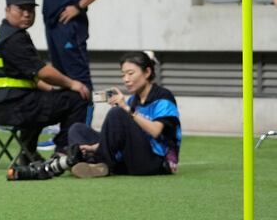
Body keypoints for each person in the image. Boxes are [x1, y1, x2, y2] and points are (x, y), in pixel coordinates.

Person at [12, 51, 180, 179]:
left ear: (147, 72)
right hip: (129, 157)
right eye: (123, 74)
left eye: (130, 73)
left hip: (153, 162)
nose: (126, 79)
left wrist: (126, 109)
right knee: (77, 130)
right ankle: (91, 160)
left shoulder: (163, 97)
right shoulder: (134, 100)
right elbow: (121, 136)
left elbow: (156, 131)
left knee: (117, 113)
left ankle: (94, 162)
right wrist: (94, 146)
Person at [0, 0, 90, 168]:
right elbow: (43, 72)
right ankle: (62, 152)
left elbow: (28, 76)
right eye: (21, 9)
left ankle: (28, 153)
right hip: (13, 108)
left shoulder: (2, 34)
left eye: (31, 9)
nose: (27, 13)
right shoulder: (14, 39)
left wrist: (54, 91)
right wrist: (72, 84)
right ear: (7, 9)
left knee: (42, 98)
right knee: (77, 98)